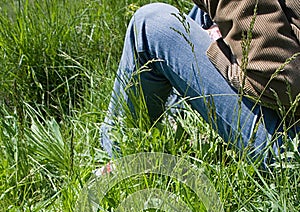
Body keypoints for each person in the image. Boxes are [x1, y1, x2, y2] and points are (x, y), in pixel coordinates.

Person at [100, 1, 300, 168]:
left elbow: (280, 83)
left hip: (290, 148)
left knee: (150, 25)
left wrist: (220, 54)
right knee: (202, 15)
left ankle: (121, 156)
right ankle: (178, 124)